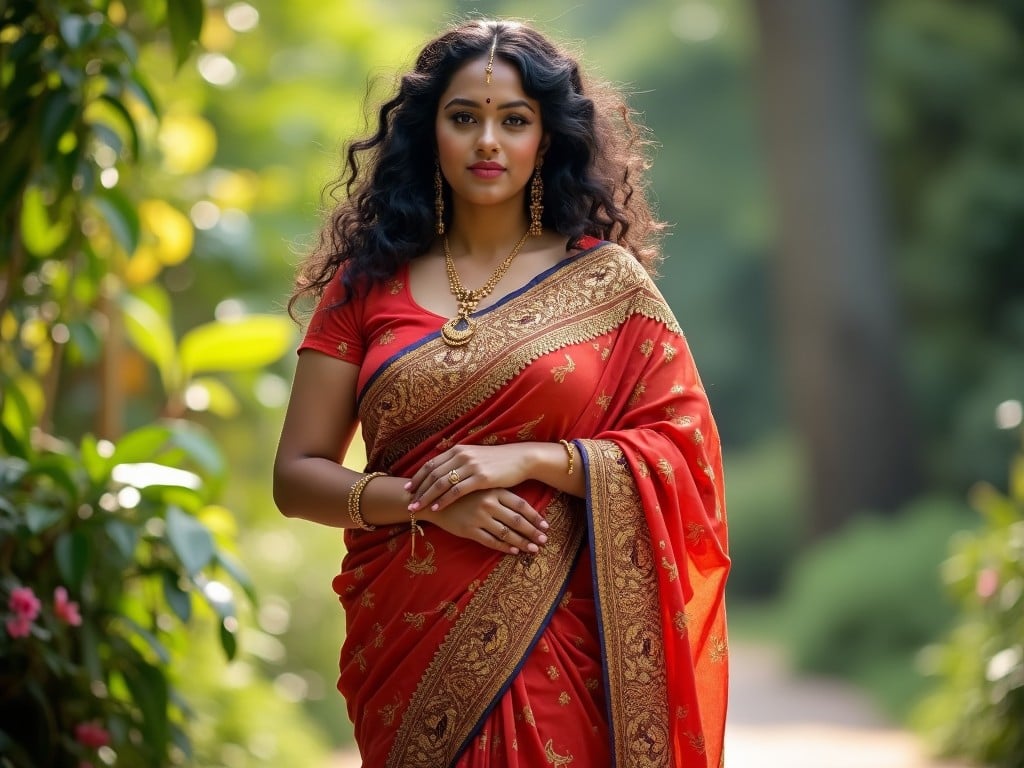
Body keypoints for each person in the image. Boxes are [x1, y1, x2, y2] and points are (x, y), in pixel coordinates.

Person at [273, 18, 729, 768]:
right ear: (430, 135)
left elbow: (686, 456)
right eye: (464, 118)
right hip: (408, 636)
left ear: (545, 139)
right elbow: (296, 476)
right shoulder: (363, 286)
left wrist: (532, 460)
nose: (488, 141)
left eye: (513, 121)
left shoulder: (609, 286)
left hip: (564, 643)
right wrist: (428, 501)